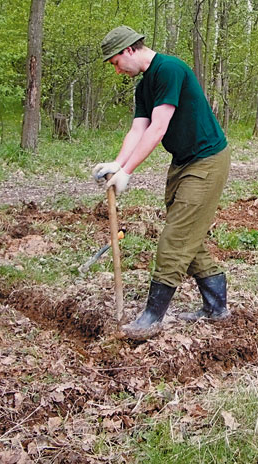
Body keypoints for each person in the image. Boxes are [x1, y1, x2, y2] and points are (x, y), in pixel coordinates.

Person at [92, 25, 231, 340]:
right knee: (187, 233)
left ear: (129, 50)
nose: (116, 70)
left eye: (115, 62)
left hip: (207, 160)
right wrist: (118, 164)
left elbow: (157, 129)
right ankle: (216, 307)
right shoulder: (144, 87)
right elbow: (138, 129)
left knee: (175, 238)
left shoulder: (169, 69)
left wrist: (129, 173)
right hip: (183, 163)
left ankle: (152, 317)